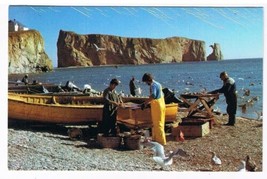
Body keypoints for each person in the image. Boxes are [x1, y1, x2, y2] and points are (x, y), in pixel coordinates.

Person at [141, 73, 166, 145]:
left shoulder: (153, 85)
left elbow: (153, 95)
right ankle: (156, 138)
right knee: (160, 122)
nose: (146, 83)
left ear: (148, 80)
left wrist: (145, 103)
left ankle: (161, 141)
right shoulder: (158, 84)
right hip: (162, 103)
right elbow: (161, 94)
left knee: (158, 123)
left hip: (157, 105)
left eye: (146, 82)